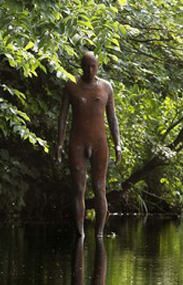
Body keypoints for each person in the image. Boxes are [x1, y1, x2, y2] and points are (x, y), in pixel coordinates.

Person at [57, 51, 122, 238]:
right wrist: (60, 142)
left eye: (93, 66)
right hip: (78, 142)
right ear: (81, 66)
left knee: (100, 188)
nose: (89, 69)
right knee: (78, 188)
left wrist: (118, 143)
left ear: (98, 66)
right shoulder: (71, 86)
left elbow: (112, 117)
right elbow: (63, 116)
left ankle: (100, 233)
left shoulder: (106, 88)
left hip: (99, 142)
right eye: (86, 66)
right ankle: (80, 233)